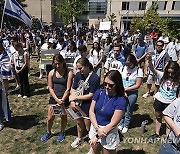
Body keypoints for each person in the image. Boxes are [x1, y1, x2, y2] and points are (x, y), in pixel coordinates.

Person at [88, 70, 126, 154]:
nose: (107, 87)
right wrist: (97, 128)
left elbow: (113, 124)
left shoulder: (120, 101)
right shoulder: (99, 92)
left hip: (109, 131)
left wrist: (97, 135)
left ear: (117, 85)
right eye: (105, 84)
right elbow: (91, 111)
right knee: (95, 151)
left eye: (110, 85)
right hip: (95, 126)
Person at [41, 54, 73, 142]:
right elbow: (50, 87)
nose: (57, 66)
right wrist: (56, 100)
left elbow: (68, 88)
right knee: (50, 117)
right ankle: (48, 132)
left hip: (64, 99)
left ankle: (62, 131)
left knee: (63, 116)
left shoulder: (68, 73)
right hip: (54, 98)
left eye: (59, 63)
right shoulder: (51, 73)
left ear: (63, 62)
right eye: (55, 64)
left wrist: (62, 100)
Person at [147, 55, 180, 140]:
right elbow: (152, 69)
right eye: (168, 72)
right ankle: (157, 134)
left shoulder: (178, 80)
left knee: (169, 121)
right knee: (158, 117)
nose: (170, 74)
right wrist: (150, 60)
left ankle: (167, 137)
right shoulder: (162, 75)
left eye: (172, 73)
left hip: (170, 102)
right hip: (160, 100)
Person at [69, 58, 100, 148]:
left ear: (86, 66)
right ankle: (79, 138)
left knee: (88, 126)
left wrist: (76, 97)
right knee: (79, 121)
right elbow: (73, 88)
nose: (79, 70)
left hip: (88, 105)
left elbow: (91, 95)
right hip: (77, 103)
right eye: (78, 68)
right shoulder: (78, 75)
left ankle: (93, 142)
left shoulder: (95, 78)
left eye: (80, 68)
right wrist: (72, 100)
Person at [118, 54, 143, 133]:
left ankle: (126, 124)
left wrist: (126, 89)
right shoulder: (123, 68)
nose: (128, 66)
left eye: (129, 64)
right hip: (122, 92)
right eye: (126, 64)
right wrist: (123, 90)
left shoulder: (138, 70)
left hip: (132, 93)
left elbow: (137, 85)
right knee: (121, 108)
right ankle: (121, 123)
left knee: (128, 109)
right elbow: (119, 80)